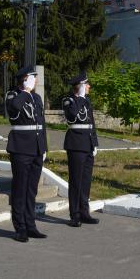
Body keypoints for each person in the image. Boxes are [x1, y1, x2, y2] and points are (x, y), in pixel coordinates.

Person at [5, 65, 48, 243]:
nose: (36, 80)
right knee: (20, 189)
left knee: (31, 190)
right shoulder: (13, 95)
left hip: (36, 149)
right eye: (33, 77)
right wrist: (25, 90)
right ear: (25, 79)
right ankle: (20, 227)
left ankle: (31, 225)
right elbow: (14, 108)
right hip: (21, 148)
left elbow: (41, 123)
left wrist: (44, 148)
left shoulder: (36, 97)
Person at [63, 72, 100, 227]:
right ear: (81, 86)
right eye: (87, 84)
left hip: (88, 143)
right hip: (76, 144)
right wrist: (79, 97)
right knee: (76, 181)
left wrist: (95, 143)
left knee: (85, 181)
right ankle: (75, 214)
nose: (89, 87)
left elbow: (91, 123)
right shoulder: (69, 100)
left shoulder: (87, 101)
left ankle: (84, 212)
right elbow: (72, 116)